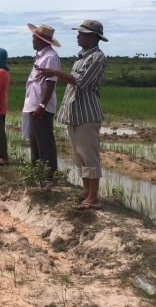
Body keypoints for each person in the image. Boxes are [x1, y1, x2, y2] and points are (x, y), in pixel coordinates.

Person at [37, 20, 108, 210]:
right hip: (75, 113)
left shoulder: (97, 57)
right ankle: (85, 191)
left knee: (89, 155)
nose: (78, 36)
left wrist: (56, 72)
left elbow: (81, 81)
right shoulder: (81, 57)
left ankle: (93, 197)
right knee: (79, 155)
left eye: (81, 34)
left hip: (87, 114)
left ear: (92, 37)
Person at [24, 24, 61, 183]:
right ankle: (37, 173)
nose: (32, 41)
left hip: (41, 107)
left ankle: (49, 176)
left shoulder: (50, 57)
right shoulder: (40, 56)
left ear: (40, 40)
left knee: (44, 141)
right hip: (33, 104)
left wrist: (42, 106)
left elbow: (50, 84)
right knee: (35, 141)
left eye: (34, 38)